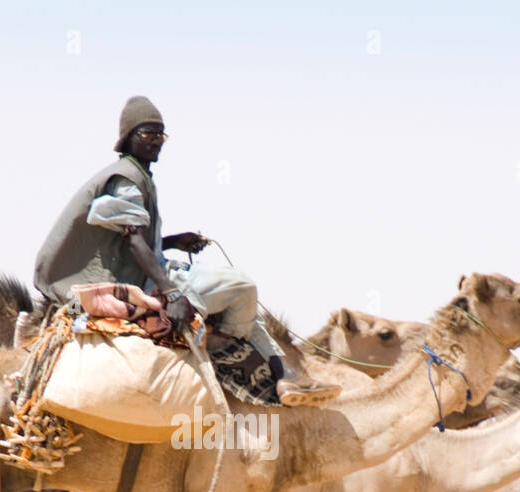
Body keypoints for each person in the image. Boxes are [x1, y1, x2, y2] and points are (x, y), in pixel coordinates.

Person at [34, 95, 339, 406]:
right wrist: (172, 293)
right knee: (243, 287)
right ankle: (229, 354)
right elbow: (133, 241)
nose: (156, 142)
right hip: (138, 281)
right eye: (147, 134)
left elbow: (130, 238)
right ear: (128, 138)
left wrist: (172, 241)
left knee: (242, 299)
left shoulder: (137, 175)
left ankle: (283, 375)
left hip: (142, 269)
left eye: (160, 135)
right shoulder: (127, 179)